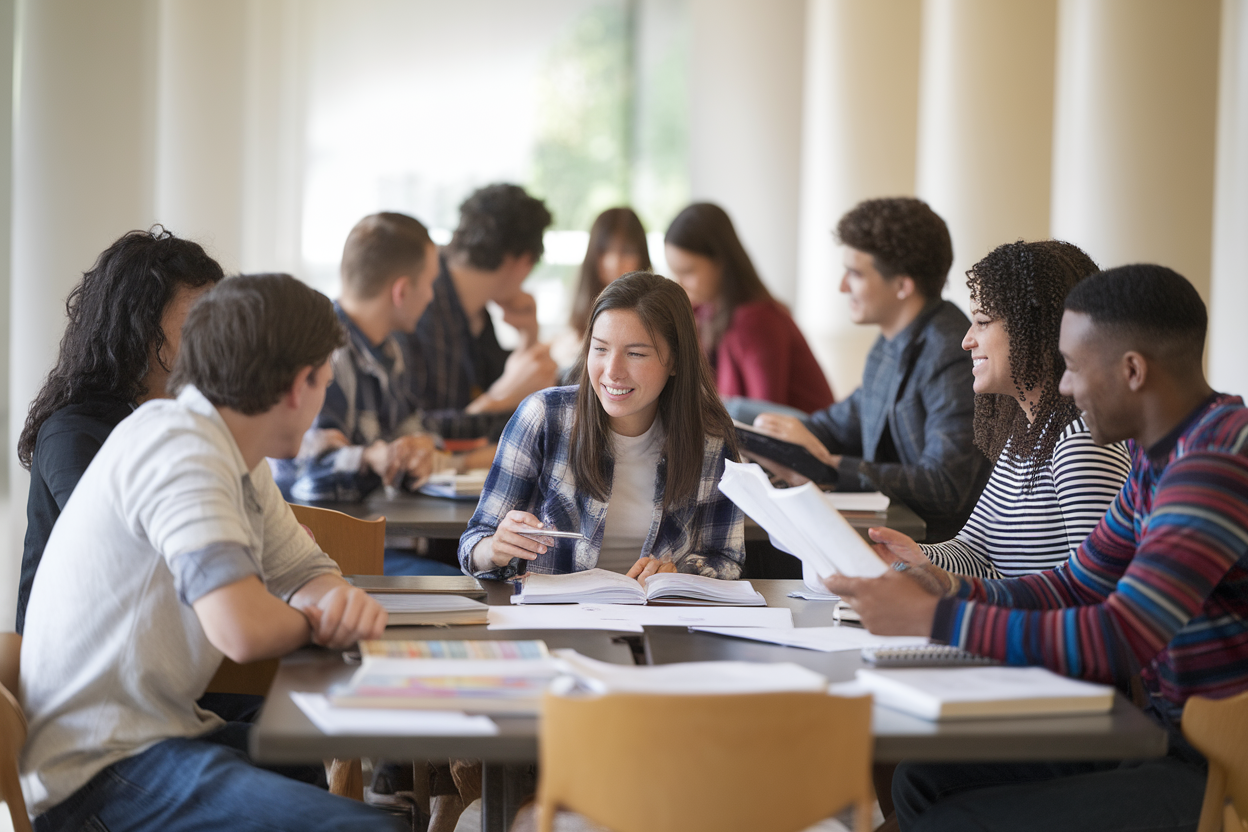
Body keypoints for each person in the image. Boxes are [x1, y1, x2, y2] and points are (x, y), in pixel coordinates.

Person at [827, 265, 1248, 832]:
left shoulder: (1211, 465)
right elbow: (1076, 582)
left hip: (1218, 763)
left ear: (1132, 371)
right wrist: (949, 586)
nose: (1066, 387)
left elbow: (1120, 636)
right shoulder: (1159, 455)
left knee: (950, 818)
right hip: (1169, 733)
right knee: (923, 778)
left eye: (1073, 368)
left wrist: (939, 618)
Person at [19, 274, 401, 832]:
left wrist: (335, 599)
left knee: (297, 757)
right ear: (300, 385)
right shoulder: (180, 449)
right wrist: (319, 619)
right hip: (96, 771)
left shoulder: (237, 453)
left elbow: (304, 569)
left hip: (157, 731)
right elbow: (240, 629)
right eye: (324, 382)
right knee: (369, 827)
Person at [862, 240, 1132, 581]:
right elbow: (976, 552)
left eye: (983, 321)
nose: (967, 341)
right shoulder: (1027, 434)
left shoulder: (1080, 444)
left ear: (1036, 330)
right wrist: (916, 555)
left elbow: (1096, 590)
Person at [459, 271, 745, 581]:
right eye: (600, 349)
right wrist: (495, 548)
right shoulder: (543, 416)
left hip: (657, 619)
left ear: (675, 360)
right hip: (558, 620)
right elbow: (473, 544)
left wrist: (680, 573)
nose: (612, 371)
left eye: (635, 353)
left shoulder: (711, 437)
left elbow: (726, 556)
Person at [15, 227, 224, 634]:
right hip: (88, 671)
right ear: (141, 328)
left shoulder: (188, 420)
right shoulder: (71, 433)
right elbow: (128, 547)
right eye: (201, 321)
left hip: (164, 641)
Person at [747, 197, 989, 542]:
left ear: (903, 285)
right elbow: (840, 424)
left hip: (939, 552)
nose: (842, 286)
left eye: (856, 273)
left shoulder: (950, 352)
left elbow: (945, 485)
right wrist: (779, 439)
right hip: (899, 535)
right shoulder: (888, 346)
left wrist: (829, 466)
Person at [403, 183, 558, 441]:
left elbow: (523, 402)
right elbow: (412, 432)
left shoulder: (477, 311)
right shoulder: (422, 304)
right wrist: (501, 398)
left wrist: (529, 335)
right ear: (522, 262)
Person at [663, 202, 834, 413]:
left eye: (687, 272)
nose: (679, 283)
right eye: (674, 273)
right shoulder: (706, 314)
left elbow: (764, 415)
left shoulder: (757, 320)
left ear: (720, 261)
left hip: (806, 439)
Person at [551, 206, 652, 368]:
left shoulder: (655, 319)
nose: (615, 263)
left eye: (626, 251)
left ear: (642, 256)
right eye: (605, 250)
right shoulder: (572, 334)